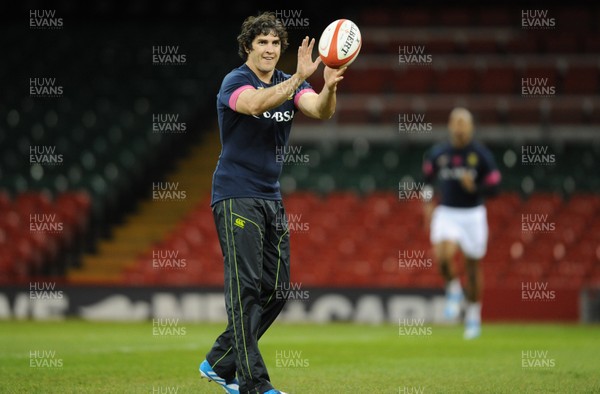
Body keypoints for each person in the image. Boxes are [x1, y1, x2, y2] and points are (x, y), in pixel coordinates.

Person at [199, 12, 345, 394]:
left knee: (278, 290)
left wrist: (328, 86)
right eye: (261, 42)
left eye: (275, 43)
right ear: (248, 46)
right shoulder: (236, 80)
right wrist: (299, 77)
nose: (269, 49)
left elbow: (319, 110)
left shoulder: (287, 82)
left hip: (270, 196)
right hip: (235, 195)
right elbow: (253, 105)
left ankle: (217, 361)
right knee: (246, 290)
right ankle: (253, 384)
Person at [421, 107, 501, 340]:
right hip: (446, 212)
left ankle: (474, 316)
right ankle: (454, 290)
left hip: (473, 214)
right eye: (455, 121)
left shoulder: (481, 155)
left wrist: (475, 188)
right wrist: (427, 203)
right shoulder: (438, 153)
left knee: (473, 268)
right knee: (443, 257)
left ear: (471, 126)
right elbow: (426, 180)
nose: (458, 126)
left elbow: (496, 187)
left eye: (463, 122)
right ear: (449, 125)